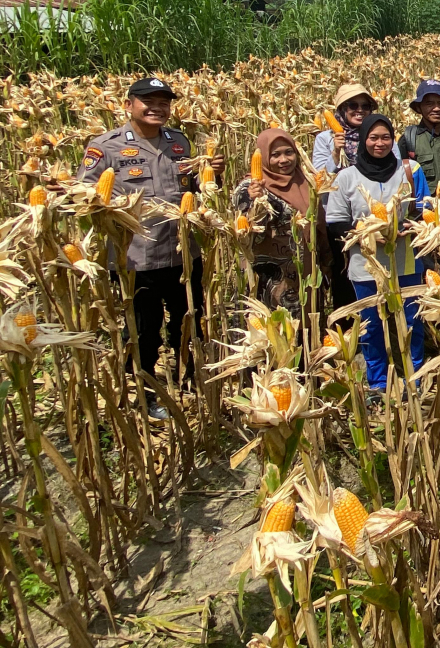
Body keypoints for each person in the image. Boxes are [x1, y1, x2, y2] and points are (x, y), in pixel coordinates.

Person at [79, 77, 224, 418]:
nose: (157, 108)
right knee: (143, 329)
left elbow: (194, 191)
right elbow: (85, 194)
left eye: (164, 102)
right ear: (128, 104)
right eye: (148, 101)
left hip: (182, 251)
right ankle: (145, 396)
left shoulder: (179, 143)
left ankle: (188, 383)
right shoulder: (105, 146)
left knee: (189, 320)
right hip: (135, 256)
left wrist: (211, 175)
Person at [326, 115, 427, 393]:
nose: (379, 143)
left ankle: (414, 378)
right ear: (363, 141)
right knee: (371, 328)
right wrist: (366, 232)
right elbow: (335, 222)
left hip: (406, 263)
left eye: (385, 137)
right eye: (373, 138)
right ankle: (378, 384)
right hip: (365, 265)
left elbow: (425, 210)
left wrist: (411, 226)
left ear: (393, 140)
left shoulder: (410, 170)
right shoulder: (346, 177)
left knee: (412, 324)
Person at [312, 84, 400, 319]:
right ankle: (349, 331)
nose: (359, 110)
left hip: (378, 218)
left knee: (380, 272)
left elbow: (399, 171)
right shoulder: (325, 138)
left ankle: (386, 326)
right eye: (353, 105)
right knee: (344, 274)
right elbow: (319, 180)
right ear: (341, 109)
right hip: (339, 218)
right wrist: (334, 155)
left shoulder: (383, 135)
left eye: (365, 106)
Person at [233, 128, 331, 317]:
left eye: (289, 152)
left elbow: (318, 225)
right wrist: (257, 203)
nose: (284, 160)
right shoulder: (248, 188)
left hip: (307, 272)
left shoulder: (306, 182)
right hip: (270, 278)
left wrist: (327, 263)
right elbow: (246, 229)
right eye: (275, 155)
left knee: (307, 329)